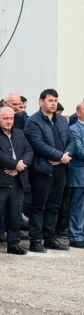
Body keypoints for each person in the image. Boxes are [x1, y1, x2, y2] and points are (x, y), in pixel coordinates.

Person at [0, 106, 33, 256]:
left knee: (15, 215)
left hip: (18, 180)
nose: (9, 121)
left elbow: (29, 151)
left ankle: (13, 243)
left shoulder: (19, 133)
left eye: (11, 118)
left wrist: (21, 166)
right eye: (5, 118)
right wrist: (14, 164)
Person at [25, 89, 71, 253]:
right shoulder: (33, 121)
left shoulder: (61, 121)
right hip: (42, 170)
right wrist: (60, 156)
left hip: (61, 169)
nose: (53, 103)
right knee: (39, 206)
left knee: (54, 205)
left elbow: (71, 139)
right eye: (50, 100)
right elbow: (38, 144)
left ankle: (50, 237)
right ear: (41, 101)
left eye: (55, 100)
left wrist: (64, 157)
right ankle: (35, 240)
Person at [68, 102, 84, 249]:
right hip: (80, 175)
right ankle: (76, 235)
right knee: (78, 207)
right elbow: (79, 151)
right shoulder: (74, 129)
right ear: (78, 113)